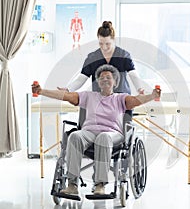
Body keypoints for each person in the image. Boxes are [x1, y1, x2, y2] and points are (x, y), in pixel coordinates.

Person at [32, 64, 161, 196]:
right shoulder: (89, 96)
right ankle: (72, 184)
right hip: (89, 132)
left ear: (115, 82)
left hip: (113, 134)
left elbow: (137, 100)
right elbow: (66, 96)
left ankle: (100, 184)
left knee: (103, 138)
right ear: (98, 82)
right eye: (101, 77)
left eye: (108, 77)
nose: (105, 79)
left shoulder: (120, 98)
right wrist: (41, 91)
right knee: (75, 136)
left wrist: (152, 95)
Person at [59, 21, 145, 94]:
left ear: (114, 40)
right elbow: (82, 78)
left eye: (107, 44)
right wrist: (68, 89)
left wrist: (140, 89)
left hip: (121, 102)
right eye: (101, 43)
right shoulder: (92, 57)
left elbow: (133, 75)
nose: (104, 47)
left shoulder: (123, 55)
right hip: (100, 102)